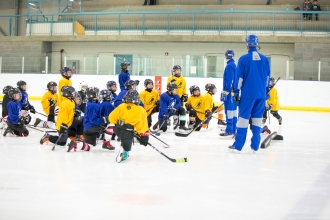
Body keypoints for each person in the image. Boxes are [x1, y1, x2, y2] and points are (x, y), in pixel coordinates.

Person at [229, 34, 270, 153]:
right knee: (257, 120)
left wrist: (236, 93)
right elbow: (267, 78)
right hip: (261, 96)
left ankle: (238, 146)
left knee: (243, 120)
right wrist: (266, 91)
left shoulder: (243, 59)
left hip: (248, 95)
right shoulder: (265, 59)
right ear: (257, 44)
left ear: (247, 44)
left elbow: (239, 79)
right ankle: (255, 147)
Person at [67, 87, 115, 152]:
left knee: (90, 146)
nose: (99, 95)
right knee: (111, 125)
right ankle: (106, 143)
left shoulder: (93, 103)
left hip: (88, 128)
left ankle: (75, 144)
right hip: (91, 127)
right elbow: (93, 120)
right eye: (97, 93)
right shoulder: (93, 105)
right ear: (93, 95)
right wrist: (103, 122)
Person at [109, 90, 149, 163]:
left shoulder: (121, 106)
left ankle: (124, 144)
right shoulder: (141, 109)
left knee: (125, 135)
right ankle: (126, 151)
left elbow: (111, 117)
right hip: (128, 131)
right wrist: (144, 135)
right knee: (129, 135)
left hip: (117, 129)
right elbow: (142, 126)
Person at [220, 50, 237, 137]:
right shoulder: (234, 65)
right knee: (233, 111)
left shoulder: (229, 66)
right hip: (233, 92)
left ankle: (229, 130)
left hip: (229, 92)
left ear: (226, 56)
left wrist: (225, 92)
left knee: (229, 111)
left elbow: (229, 81)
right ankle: (234, 129)